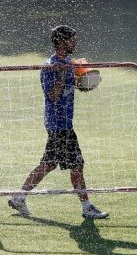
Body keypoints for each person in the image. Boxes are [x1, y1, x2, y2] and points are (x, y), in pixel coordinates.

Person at [8, 25, 109, 219]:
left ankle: (19, 197)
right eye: (72, 39)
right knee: (76, 165)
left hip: (64, 124)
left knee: (49, 164)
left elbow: (76, 86)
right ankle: (87, 207)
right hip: (58, 124)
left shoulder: (70, 63)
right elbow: (53, 96)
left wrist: (85, 82)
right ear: (62, 42)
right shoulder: (49, 66)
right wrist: (62, 72)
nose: (75, 43)